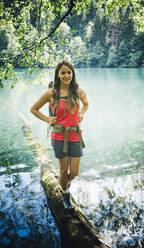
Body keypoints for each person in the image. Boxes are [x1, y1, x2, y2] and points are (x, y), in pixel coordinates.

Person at [30, 60, 89, 210]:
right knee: (63, 170)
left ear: (73, 74)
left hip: (75, 134)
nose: (66, 75)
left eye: (69, 72)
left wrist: (81, 114)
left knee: (74, 172)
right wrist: (48, 120)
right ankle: (65, 194)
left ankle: (63, 183)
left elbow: (86, 104)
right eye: (63, 72)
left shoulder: (79, 91)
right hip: (58, 136)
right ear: (58, 74)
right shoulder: (51, 93)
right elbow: (34, 109)